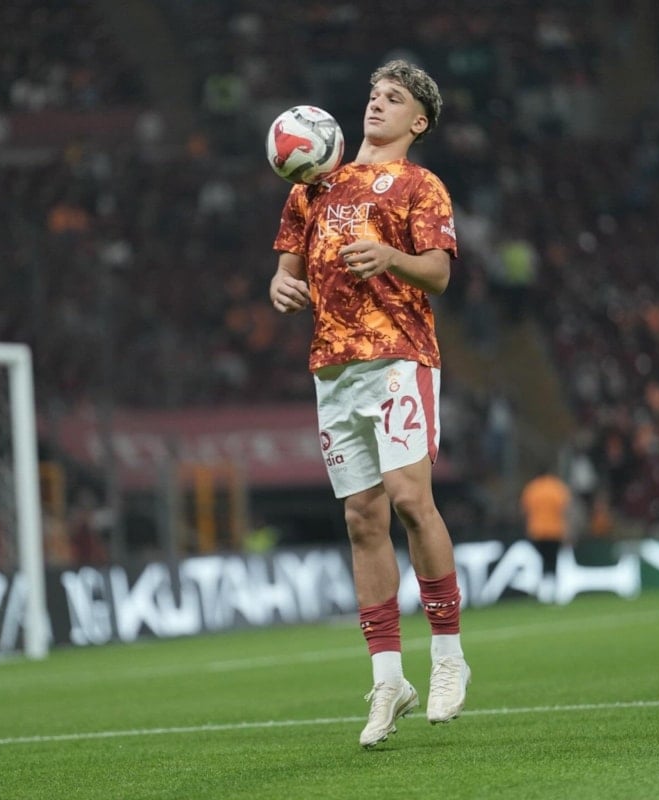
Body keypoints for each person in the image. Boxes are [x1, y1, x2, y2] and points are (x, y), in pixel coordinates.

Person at [270, 59, 469, 748]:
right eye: (374, 94)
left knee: (410, 499)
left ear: (419, 121)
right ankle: (389, 680)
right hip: (333, 369)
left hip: (399, 357)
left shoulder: (420, 185)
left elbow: (438, 273)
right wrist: (280, 285)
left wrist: (390, 256)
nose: (377, 104)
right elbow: (287, 268)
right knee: (361, 518)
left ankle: (449, 658)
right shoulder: (313, 184)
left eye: (394, 98)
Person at [520, 465, 573, 603]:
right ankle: (552, 591)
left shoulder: (532, 488)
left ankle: (542, 591)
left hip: (536, 531)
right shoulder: (557, 487)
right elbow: (565, 510)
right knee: (553, 561)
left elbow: (525, 511)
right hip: (555, 531)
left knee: (540, 561)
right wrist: (567, 530)